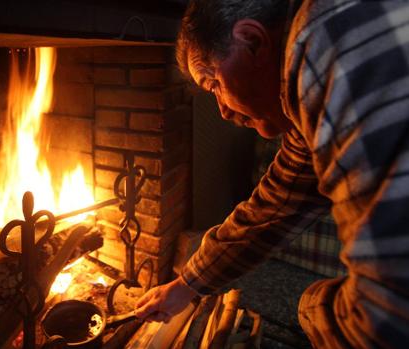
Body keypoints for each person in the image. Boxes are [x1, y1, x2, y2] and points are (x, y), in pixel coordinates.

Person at [134, 0, 409, 347]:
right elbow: (274, 206)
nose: (221, 111)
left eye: (213, 84)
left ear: (252, 41)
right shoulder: (302, 100)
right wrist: (185, 285)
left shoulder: (322, 42)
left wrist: (311, 306)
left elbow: (384, 318)